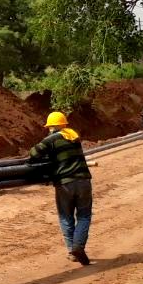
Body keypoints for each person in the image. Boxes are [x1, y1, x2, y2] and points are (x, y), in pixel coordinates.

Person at [30, 111, 93, 265]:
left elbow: (33, 154)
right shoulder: (73, 136)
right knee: (84, 216)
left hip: (65, 183)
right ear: (64, 124)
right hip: (84, 181)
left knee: (66, 216)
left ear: (52, 127)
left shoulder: (52, 139)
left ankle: (72, 250)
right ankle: (79, 246)